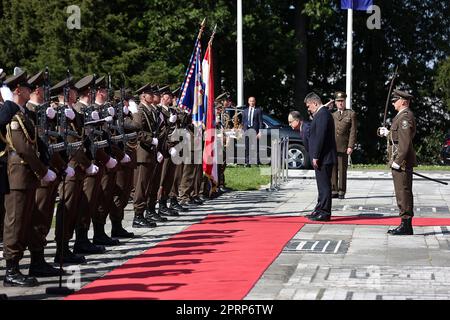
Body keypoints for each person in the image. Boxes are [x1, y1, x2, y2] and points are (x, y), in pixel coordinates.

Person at [2, 71, 57, 287]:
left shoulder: (24, 114)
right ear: (17, 90)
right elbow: (23, 148)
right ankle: (11, 270)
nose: (31, 91)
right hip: (17, 176)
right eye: (26, 88)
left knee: (25, 222)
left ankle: (26, 264)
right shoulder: (13, 116)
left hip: (27, 176)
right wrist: (43, 171)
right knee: (15, 223)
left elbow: (34, 144)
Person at [377, 89, 416, 235]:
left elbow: (405, 143)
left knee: (403, 191)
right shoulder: (400, 116)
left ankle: (406, 225)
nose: (393, 103)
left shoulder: (405, 117)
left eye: (396, 100)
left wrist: (398, 161)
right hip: (398, 160)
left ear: (403, 102)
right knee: (400, 191)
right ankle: (404, 223)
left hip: (402, 162)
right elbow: (398, 137)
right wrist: (387, 133)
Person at [304, 92, 337, 221]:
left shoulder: (323, 114)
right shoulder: (321, 113)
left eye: (308, 106)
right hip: (322, 157)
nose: (308, 108)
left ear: (315, 103)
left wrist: (316, 155)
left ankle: (324, 212)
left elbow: (320, 136)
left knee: (324, 186)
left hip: (324, 157)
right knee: (321, 186)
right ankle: (319, 209)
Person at [331, 91, 357, 199]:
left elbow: (353, 131)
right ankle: (334, 190)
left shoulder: (351, 114)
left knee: (342, 169)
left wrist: (350, 146)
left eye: (342, 101)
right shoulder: (333, 115)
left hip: (343, 146)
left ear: (345, 101)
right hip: (333, 145)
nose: (340, 103)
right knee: (333, 169)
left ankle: (341, 190)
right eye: (338, 101)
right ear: (335, 103)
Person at [242, 96, 263, 167]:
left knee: (255, 147)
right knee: (247, 147)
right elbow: (243, 122)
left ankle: (256, 162)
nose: (251, 102)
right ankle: (247, 162)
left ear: (255, 102)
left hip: (255, 131)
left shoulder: (258, 110)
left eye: (253, 101)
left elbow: (260, 122)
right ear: (248, 102)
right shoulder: (245, 111)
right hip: (247, 130)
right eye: (250, 101)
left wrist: (260, 132)